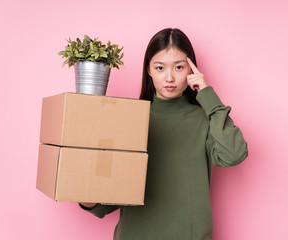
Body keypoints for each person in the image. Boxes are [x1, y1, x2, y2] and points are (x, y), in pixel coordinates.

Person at [79, 28, 248, 240]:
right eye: (160, 67)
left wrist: (208, 96)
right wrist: (89, 199)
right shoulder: (128, 118)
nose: (169, 78)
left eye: (179, 67)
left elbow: (233, 154)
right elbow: (112, 195)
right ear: (148, 70)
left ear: (192, 69)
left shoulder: (205, 120)